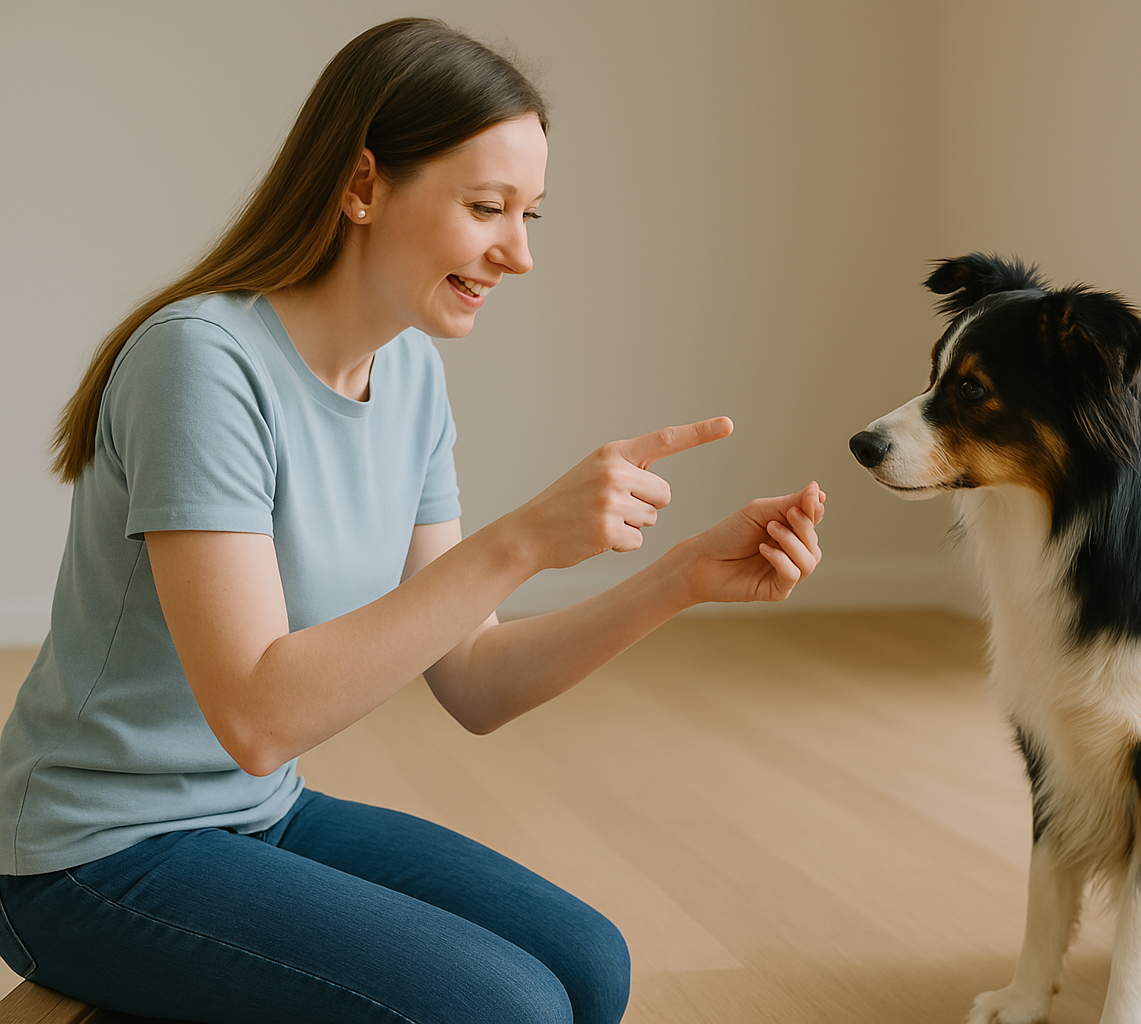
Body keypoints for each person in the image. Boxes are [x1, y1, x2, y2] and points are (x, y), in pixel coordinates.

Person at [0, 17, 824, 1024]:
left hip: (254, 820)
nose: (518, 253)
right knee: (508, 1009)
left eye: (532, 214)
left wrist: (683, 575)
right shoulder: (201, 362)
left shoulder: (410, 374)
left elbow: (473, 677)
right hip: (92, 853)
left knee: (589, 965)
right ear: (361, 186)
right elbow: (259, 718)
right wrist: (521, 540)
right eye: (487, 207)